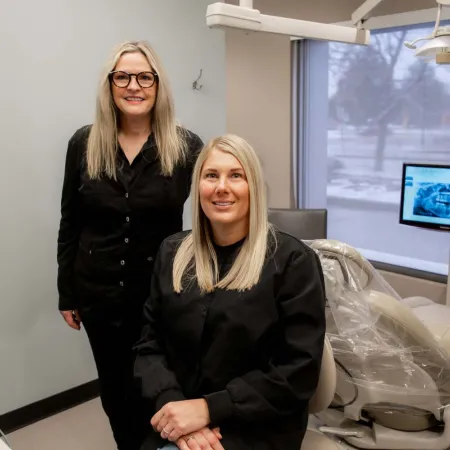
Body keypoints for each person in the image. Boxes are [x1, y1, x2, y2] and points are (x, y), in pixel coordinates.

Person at [134, 134, 327, 450]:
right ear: (198, 188)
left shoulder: (293, 262)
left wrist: (209, 409)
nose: (221, 187)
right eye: (211, 176)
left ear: (253, 187)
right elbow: (148, 345)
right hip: (178, 414)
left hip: (255, 424)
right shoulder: (172, 253)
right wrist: (176, 407)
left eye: (236, 175)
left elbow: (298, 371)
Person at [57, 40, 203, 450]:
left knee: (156, 387)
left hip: (160, 295)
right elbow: (70, 221)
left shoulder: (186, 146)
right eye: (122, 76)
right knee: (116, 388)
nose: (133, 85)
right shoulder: (84, 144)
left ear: (158, 85)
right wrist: (66, 292)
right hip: (98, 293)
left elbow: (206, 221)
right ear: (110, 85)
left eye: (143, 76)